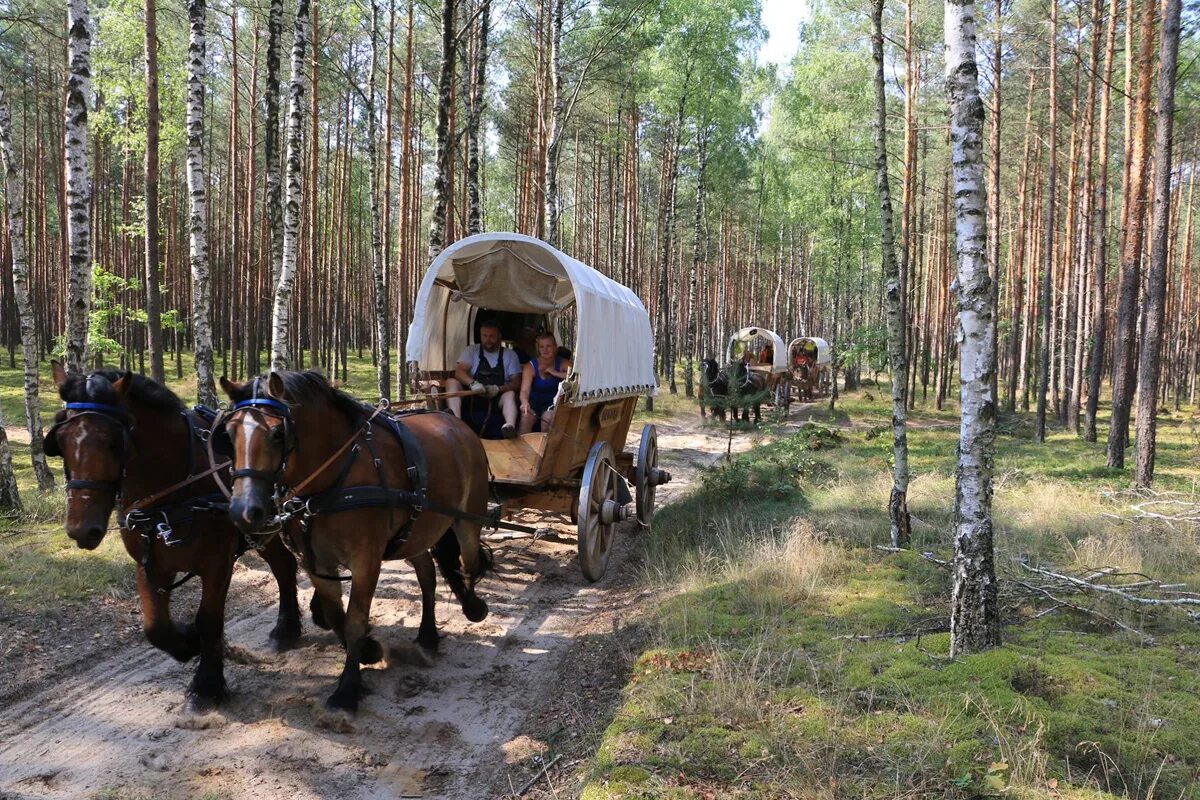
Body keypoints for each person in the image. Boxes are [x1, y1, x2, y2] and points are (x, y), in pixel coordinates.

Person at [445, 321, 522, 438]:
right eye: (484, 336)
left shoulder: (510, 355)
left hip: (497, 400)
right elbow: (459, 372)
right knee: (451, 382)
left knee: (510, 394)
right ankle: (457, 423)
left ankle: (509, 427)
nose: (488, 340)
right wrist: (473, 384)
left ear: (499, 336)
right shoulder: (472, 351)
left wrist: (498, 389)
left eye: (492, 336)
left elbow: (517, 382)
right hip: (472, 398)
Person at [519, 333, 571, 434]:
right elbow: (524, 390)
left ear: (555, 347)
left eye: (548, 346)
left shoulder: (562, 363)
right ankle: (521, 448)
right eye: (542, 347)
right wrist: (524, 402)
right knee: (526, 417)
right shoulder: (530, 366)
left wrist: (555, 373)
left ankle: (544, 448)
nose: (545, 350)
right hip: (534, 403)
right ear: (538, 349)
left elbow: (576, 376)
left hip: (552, 403)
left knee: (547, 418)